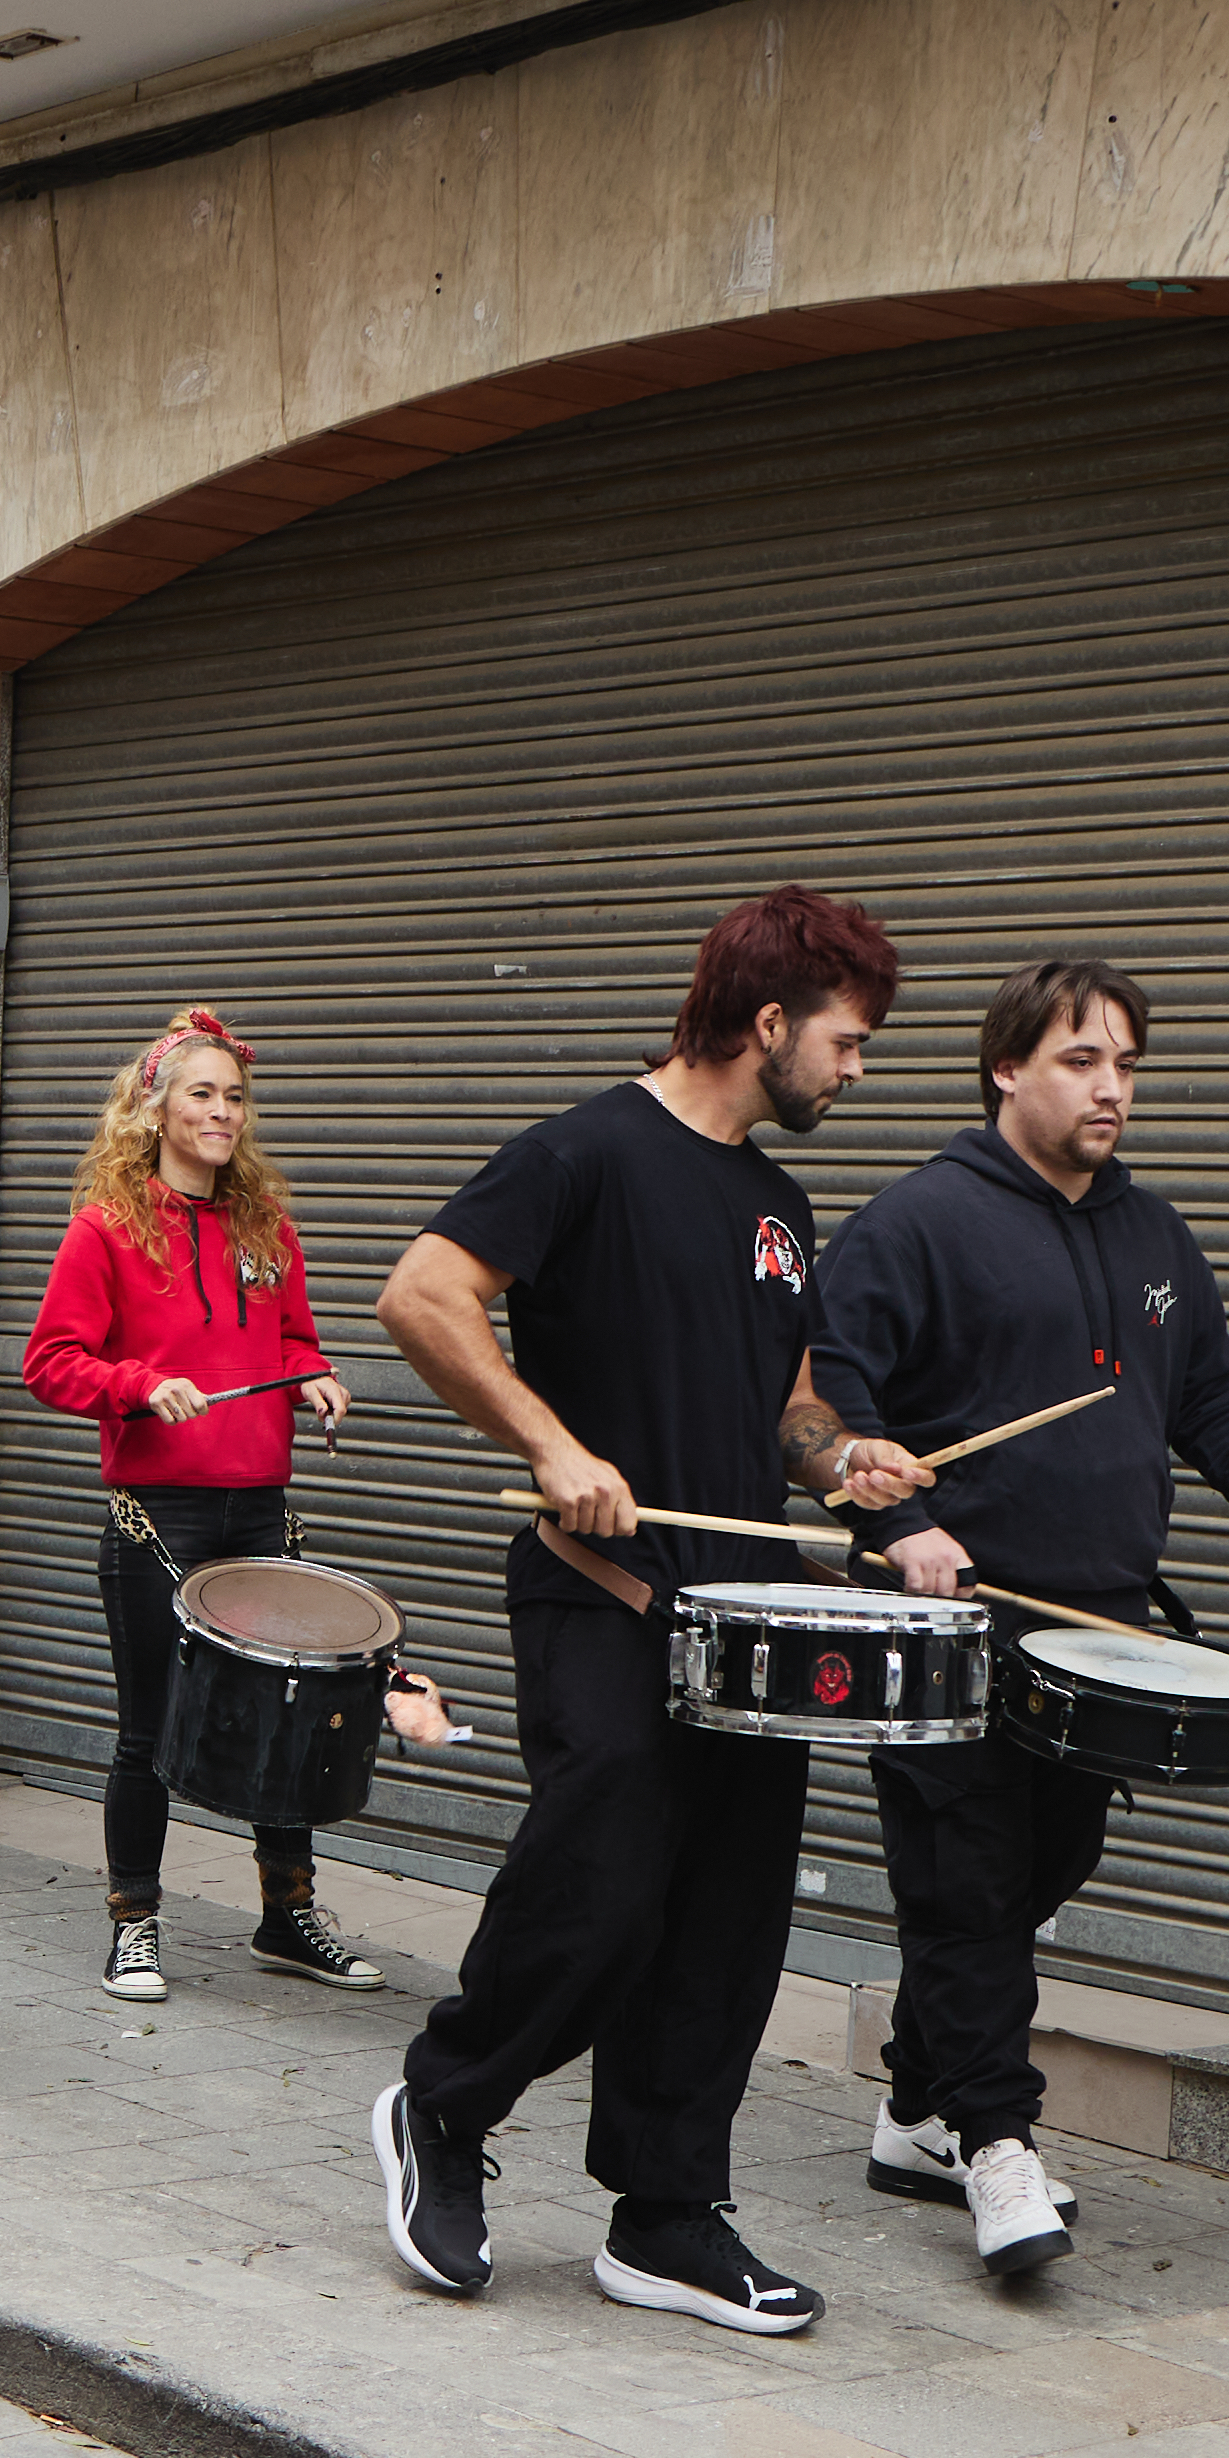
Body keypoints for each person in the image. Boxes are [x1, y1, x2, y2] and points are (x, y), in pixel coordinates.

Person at [364, 885, 928, 2337]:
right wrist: (550, 1445)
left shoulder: (782, 1206)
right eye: (848, 1043)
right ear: (768, 1024)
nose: (855, 1073)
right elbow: (424, 1296)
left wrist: (841, 1459)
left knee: (728, 1920)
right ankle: (442, 2105)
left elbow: (790, 1406)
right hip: (599, 1594)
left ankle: (668, 2216)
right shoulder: (586, 1153)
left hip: (744, 1618)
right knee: (605, 1890)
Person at [809, 958, 1229, 2279]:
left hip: (1098, 1635)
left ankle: (911, 2115)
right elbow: (827, 1402)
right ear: (1006, 1068)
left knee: (1036, 1874)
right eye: (1080, 1061)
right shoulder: (917, 1226)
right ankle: (999, 2150)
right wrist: (892, 1519)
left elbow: (1210, 1390)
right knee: (970, 1889)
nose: (1110, 1089)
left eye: (1123, 1065)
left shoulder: (1154, 1236)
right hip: (950, 1628)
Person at [23, 1007, 399, 2005]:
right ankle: (134, 1925)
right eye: (202, 1093)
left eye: (234, 1096)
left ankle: (287, 1916)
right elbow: (51, 1362)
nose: (223, 1111)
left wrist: (312, 1376)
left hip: (259, 1512)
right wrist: (138, 1385)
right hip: (158, 1517)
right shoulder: (106, 1227)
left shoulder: (268, 1228)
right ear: (155, 1109)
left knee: (293, 1720)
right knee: (149, 1730)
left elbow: (289, 1342)